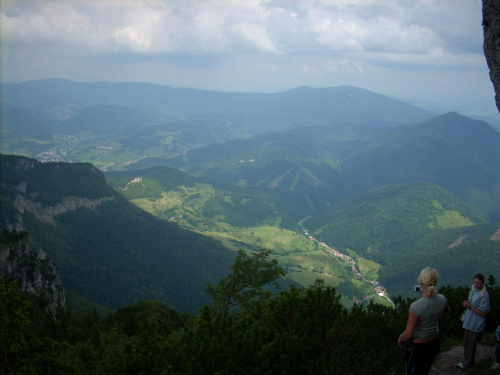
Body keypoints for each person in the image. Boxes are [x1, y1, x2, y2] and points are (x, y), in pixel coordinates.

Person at [398, 267, 451, 375]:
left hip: (419, 348)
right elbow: (447, 312)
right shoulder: (442, 298)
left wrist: (400, 338)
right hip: (435, 342)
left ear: (421, 282)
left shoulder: (416, 306)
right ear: (436, 282)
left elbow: (408, 334)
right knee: (424, 370)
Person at [456, 273, 490, 370]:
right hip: (469, 321)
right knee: (468, 343)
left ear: (482, 283)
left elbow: (483, 313)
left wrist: (470, 307)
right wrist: (466, 303)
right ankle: (470, 362)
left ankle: (466, 365)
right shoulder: (473, 291)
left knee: (469, 344)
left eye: (478, 283)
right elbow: (470, 302)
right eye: (475, 282)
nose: (476, 285)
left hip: (475, 323)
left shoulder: (484, 296)